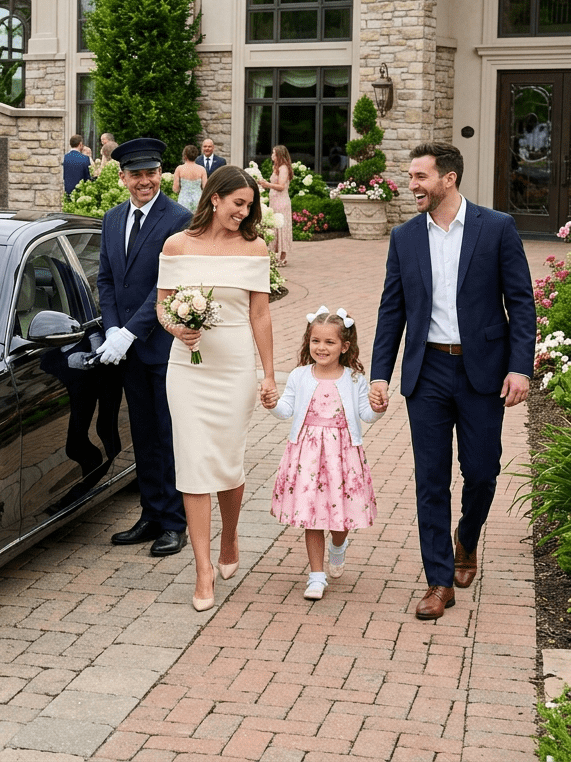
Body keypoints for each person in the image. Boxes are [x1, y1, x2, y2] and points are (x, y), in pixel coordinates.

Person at [369, 142, 535, 619]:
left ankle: (468, 536)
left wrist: (519, 367)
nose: (412, 185)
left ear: (449, 178)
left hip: (482, 370)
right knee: (430, 480)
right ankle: (439, 580)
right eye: (411, 177)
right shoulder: (404, 237)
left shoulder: (496, 228)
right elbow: (391, 309)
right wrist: (381, 373)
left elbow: (521, 303)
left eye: (420, 177)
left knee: (482, 472)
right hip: (428, 372)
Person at [156, 165, 277, 609]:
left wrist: (268, 373)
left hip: (235, 370)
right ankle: (203, 568)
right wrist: (176, 329)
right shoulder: (176, 245)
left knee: (228, 463)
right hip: (187, 369)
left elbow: (260, 315)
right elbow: (163, 307)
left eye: (249, 206)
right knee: (192, 464)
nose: (244, 213)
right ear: (214, 199)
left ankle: (231, 536)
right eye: (237, 204)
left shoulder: (255, 247)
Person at [97, 137, 193, 556]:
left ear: (162, 174)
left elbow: (167, 287)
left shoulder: (178, 218)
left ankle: (175, 522)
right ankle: (151, 514)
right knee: (143, 434)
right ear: (122, 178)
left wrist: (130, 331)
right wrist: (113, 329)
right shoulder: (112, 219)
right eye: (136, 174)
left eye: (151, 173)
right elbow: (105, 280)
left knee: (169, 436)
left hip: (162, 346)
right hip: (128, 350)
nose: (145, 181)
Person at [269, 307, 384, 602]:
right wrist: (271, 404)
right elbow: (286, 411)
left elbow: (365, 415)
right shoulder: (299, 375)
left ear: (344, 346)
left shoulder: (355, 378)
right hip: (307, 456)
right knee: (312, 516)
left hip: (342, 457)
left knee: (338, 519)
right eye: (315, 341)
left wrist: (378, 408)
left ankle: (338, 546)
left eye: (329, 342)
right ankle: (316, 576)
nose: (321, 348)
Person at [257, 144, 293, 266]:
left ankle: (282, 257)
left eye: (273, 153)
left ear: (279, 155)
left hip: (281, 202)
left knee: (280, 228)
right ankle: (273, 254)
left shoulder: (283, 168)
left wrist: (268, 185)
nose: (272, 155)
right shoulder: (276, 168)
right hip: (274, 202)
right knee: (273, 228)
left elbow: (281, 186)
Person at [172, 144, 207, 212]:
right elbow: (205, 187)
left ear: (185, 156)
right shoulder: (202, 169)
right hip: (198, 200)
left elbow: (175, 189)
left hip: (184, 200)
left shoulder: (179, 169)